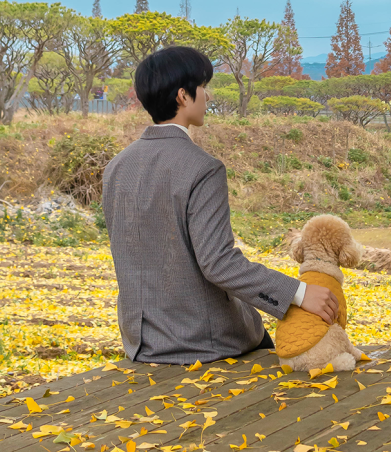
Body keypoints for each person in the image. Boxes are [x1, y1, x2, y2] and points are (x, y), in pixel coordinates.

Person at [102, 45, 339, 364]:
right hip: (204, 340)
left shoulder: (117, 166)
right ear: (183, 96)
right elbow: (218, 263)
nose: (208, 97)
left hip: (143, 342)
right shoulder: (202, 167)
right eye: (203, 87)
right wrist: (298, 293)